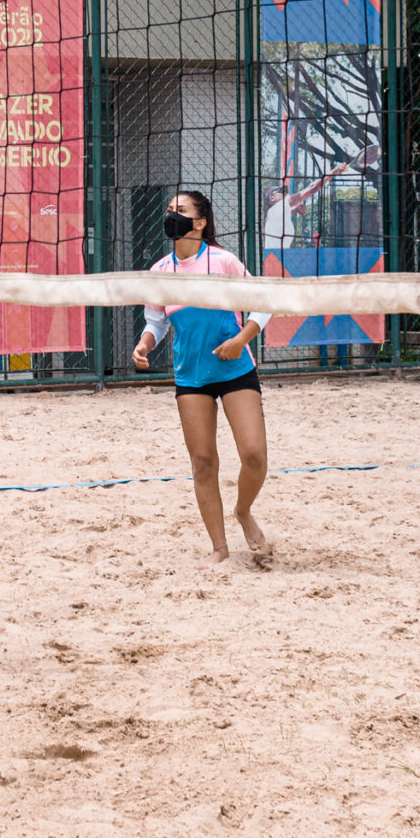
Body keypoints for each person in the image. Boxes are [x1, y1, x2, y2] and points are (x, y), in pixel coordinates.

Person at [132, 190, 276, 567]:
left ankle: (243, 511)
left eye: (179, 211)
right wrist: (144, 345)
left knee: (254, 455)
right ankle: (220, 548)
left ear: (200, 222)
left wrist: (241, 339)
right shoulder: (161, 271)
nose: (171, 216)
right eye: (168, 211)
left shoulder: (223, 262)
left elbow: (264, 303)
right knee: (203, 462)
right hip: (191, 376)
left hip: (234, 368)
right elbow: (156, 321)